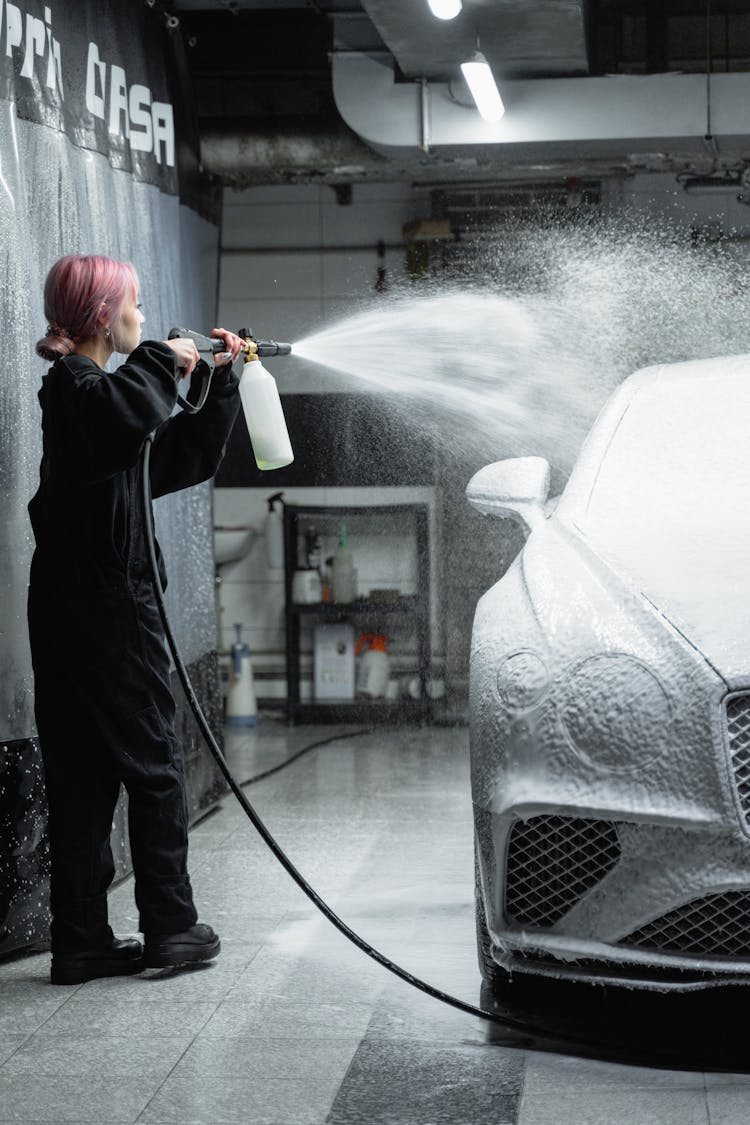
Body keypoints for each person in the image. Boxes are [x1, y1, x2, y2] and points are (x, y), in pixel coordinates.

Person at [28, 253, 245, 985]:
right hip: (107, 606)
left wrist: (218, 382)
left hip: (74, 608)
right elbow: (124, 407)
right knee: (155, 766)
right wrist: (163, 358)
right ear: (102, 316)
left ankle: (83, 939)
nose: (143, 319)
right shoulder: (77, 389)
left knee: (84, 777)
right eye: (135, 307)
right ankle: (171, 927)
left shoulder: (96, 404)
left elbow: (174, 459)